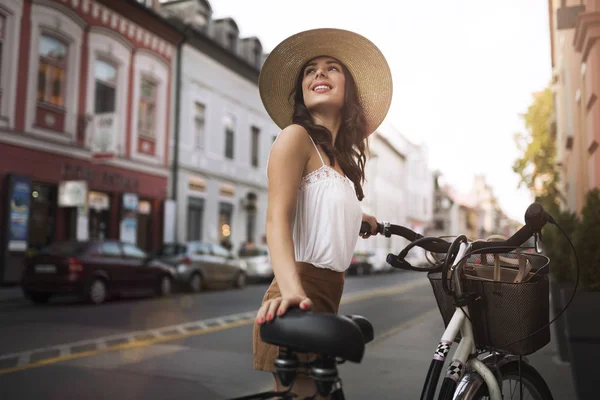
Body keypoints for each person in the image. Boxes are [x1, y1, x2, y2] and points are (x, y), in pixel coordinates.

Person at [252, 27, 393, 398]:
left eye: (333, 68)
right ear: (301, 88)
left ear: (348, 90)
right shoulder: (294, 137)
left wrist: (363, 219)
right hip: (296, 294)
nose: (319, 73)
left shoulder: (339, 164)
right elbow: (277, 220)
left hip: (328, 299)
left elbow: (323, 205)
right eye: (310, 69)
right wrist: (294, 293)